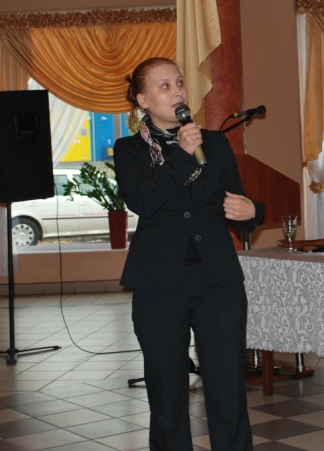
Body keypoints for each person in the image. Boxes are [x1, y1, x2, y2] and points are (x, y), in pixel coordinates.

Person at [114, 57, 264, 451]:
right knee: (167, 390)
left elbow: (237, 202)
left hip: (217, 280)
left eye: (179, 82)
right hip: (159, 282)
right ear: (143, 100)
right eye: (164, 86)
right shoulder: (129, 150)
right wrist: (181, 153)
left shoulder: (215, 143)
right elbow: (144, 201)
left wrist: (253, 211)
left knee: (227, 387)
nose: (178, 91)